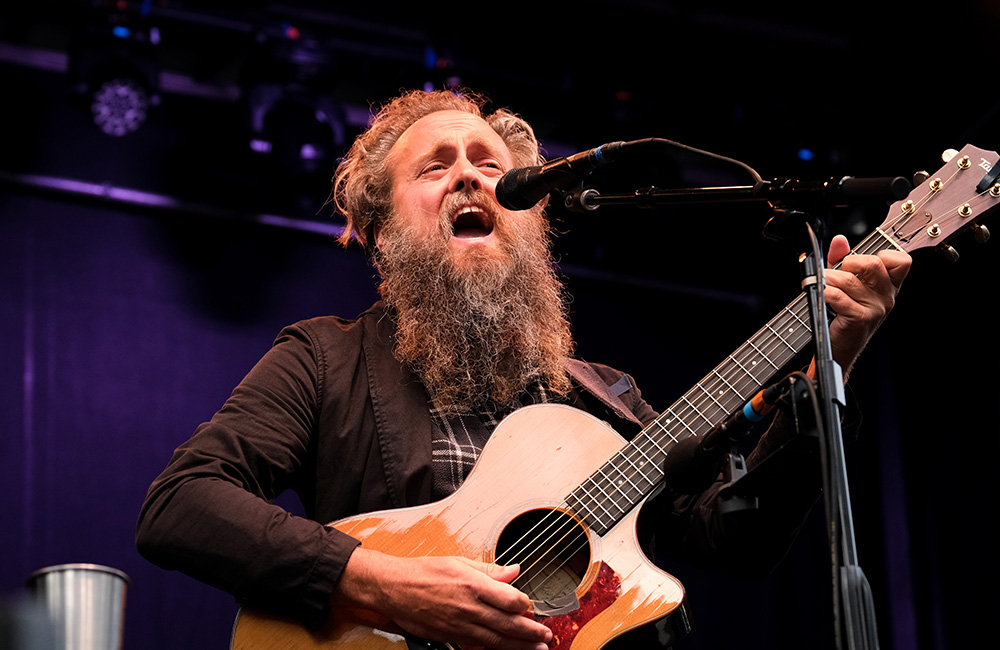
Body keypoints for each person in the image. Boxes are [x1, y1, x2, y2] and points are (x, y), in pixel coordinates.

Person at [135, 88, 911, 650]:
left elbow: (736, 539)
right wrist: (379, 584)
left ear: (531, 215)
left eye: (490, 165)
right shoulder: (324, 357)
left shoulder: (599, 395)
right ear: (379, 229)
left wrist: (834, 352)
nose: (471, 177)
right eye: (436, 167)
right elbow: (181, 505)